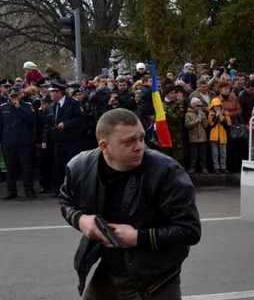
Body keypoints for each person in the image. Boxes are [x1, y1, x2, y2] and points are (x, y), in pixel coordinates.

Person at [58, 109, 201, 299]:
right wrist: (82, 220)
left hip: (156, 280)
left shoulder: (167, 172)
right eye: (128, 142)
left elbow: (189, 230)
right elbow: (66, 200)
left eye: (141, 138)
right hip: (107, 273)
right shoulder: (80, 167)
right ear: (104, 146)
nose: (139, 146)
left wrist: (137, 237)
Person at [42, 81, 85, 197]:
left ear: (59, 92)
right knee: (58, 167)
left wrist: (66, 124)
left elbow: (80, 120)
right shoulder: (53, 106)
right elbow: (48, 123)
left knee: (72, 166)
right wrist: (45, 139)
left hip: (71, 141)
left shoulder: (73, 104)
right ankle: (60, 190)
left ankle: (75, 190)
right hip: (57, 141)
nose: (50, 94)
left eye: (53, 92)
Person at [0, 87, 37, 199]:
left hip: (24, 142)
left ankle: (29, 190)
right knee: (10, 168)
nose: (14, 98)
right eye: (12, 96)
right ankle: (12, 191)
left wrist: (19, 107)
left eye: (16, 95)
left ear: (20, 95)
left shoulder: (27, 105)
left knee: (26, 167)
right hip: (8, 142)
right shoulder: (3, 107)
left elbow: (32, 120)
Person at [185, 98, 209, 174]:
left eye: (200, 106)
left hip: (202, 137)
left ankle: (203, 167)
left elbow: (205, 125)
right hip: (193, 137)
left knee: (203, 153)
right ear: (193, 106)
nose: (199, 107)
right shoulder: (188, 114)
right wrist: (195, 121)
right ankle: (193, 167)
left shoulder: (203, 113)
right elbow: (187, 125)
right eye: (197, 106)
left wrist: (203, 119)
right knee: (193, 154)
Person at [208, 97, 231, 174]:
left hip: (223, 136)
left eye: (218, 106)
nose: (217, 107)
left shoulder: (225, 114)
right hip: (214, 137)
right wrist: (216, 117)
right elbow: (211, 125)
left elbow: (228, 125)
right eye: (215, 106)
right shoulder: (210, 115)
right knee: (215, 153)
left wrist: (222, 119)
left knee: (223, 153)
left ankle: (223, 167)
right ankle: (216, 167)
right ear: (212, 107)